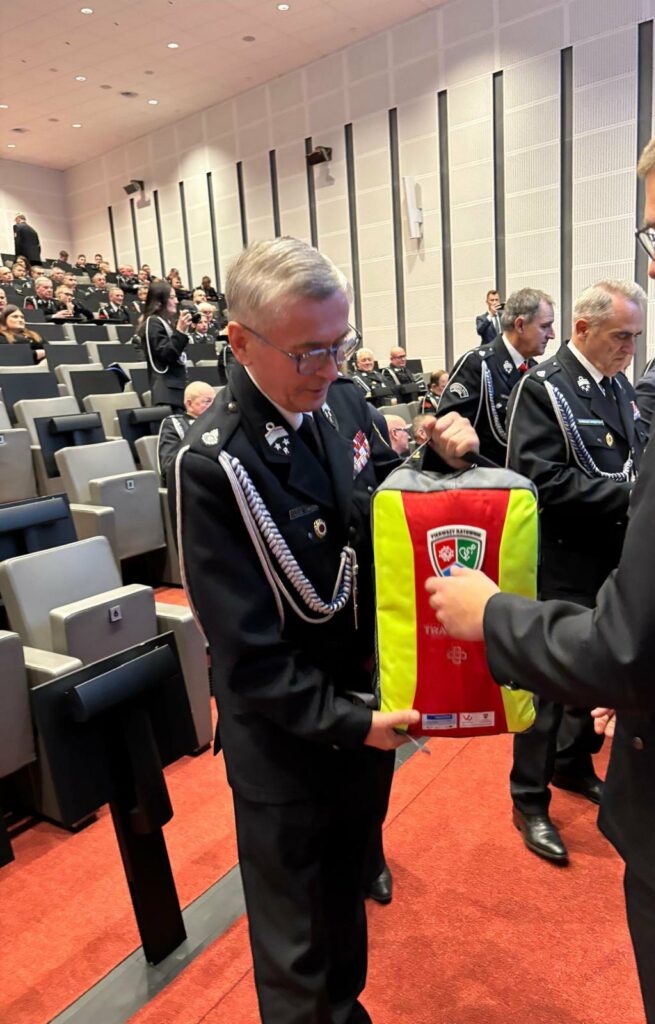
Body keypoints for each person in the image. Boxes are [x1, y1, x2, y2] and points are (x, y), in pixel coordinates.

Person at [425, 68, 655, 1024]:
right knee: (548, 722)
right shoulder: (556, 385)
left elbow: (630, 652)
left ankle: (565, 770)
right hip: (586, 571)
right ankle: (537, 789)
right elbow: (555, 477)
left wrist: (490, 614)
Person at [171, 236, 478, 1024]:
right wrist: (351, 722)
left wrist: (438, 464)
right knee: (299, 947)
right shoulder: (216, 464)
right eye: (309, 351)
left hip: (361, 711)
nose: (331, 367)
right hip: (290, 742)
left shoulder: (339, 401)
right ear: (241, 342)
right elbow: (247, 657)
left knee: (343, 907)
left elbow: (376, 511)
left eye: (341, 344)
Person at [501, 280, 647, 863]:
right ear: (582, 329)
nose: (630, 349)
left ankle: (573, 763)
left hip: (611, 558)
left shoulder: (618, 387)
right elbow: (537, 478)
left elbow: (632, 457)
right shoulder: (545, 389)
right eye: (620, 337)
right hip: (562, 561)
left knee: (594, 673)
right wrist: (631, 499)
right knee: (546, 687)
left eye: (635, 338)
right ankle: (528, 799)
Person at [438, 287, 555, 466]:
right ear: (520, 325)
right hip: (487, 477)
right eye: (545, 326)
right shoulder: (478, 365)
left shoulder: (533, 370)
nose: (552, 334)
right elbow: (446, 435)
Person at [137, 281, 192, 412]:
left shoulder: (166, 323)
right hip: (167, 394)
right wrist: (180, 332)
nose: (176, 301)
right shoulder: (153, 322)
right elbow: (167, 355)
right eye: (172, 297)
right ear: (159, 301)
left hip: (175, 390)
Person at [157, 381, 215, 484]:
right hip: (192, 484)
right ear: (189, 404)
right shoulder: (174, 424)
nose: (213, 406)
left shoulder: (219, 422)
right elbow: (169, 468)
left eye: (214, 402)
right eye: (207, 402)